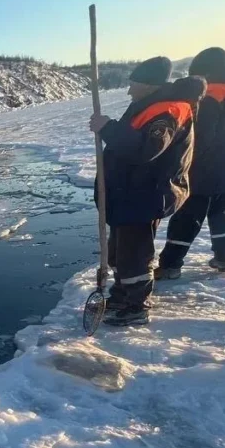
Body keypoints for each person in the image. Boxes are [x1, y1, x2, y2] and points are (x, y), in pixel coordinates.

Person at [88, 57, 207, 326]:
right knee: (119, 251)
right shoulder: (150, 106)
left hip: (144, 194)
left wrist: (108, 128)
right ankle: (121, 294)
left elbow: (147, 149)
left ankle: (136, 306)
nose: (129, 90)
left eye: (134, 84)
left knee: (134, 254)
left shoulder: (167, 112)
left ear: (149, 85)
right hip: (129, 192)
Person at [156, 48, 225, 277]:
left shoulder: (213, 93)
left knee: (187, 213)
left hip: (209, 167)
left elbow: (201, 136)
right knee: (222, 211)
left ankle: (170, 265)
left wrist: (180, 162)